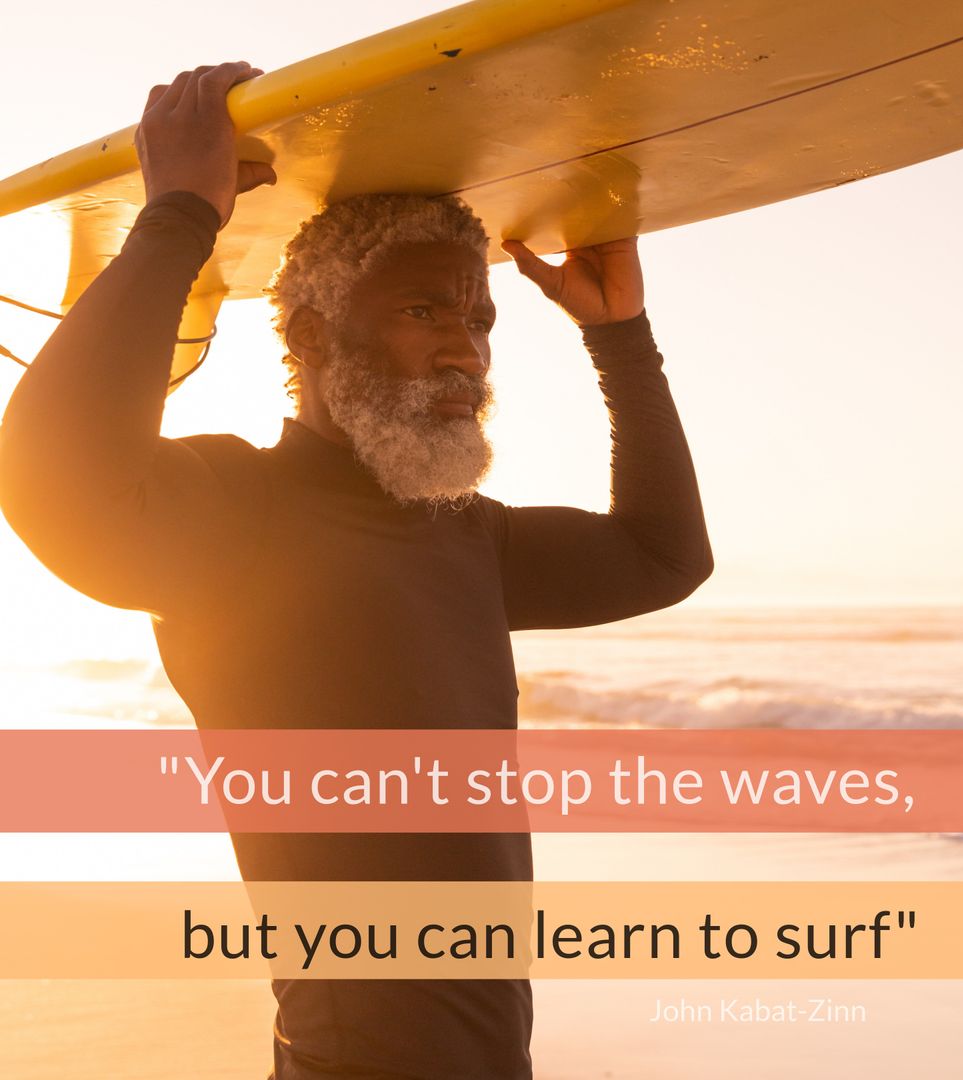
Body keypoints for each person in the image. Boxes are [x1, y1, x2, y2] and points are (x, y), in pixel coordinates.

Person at [0, 61, 712, 1079]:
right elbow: (51, 479)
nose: (469, 352)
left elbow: (664, 556)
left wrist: (619, 339)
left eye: (479, 321)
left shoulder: (468, 536)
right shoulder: (236, 514)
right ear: (311, 335)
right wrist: (178, 221)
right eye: (425, 312)